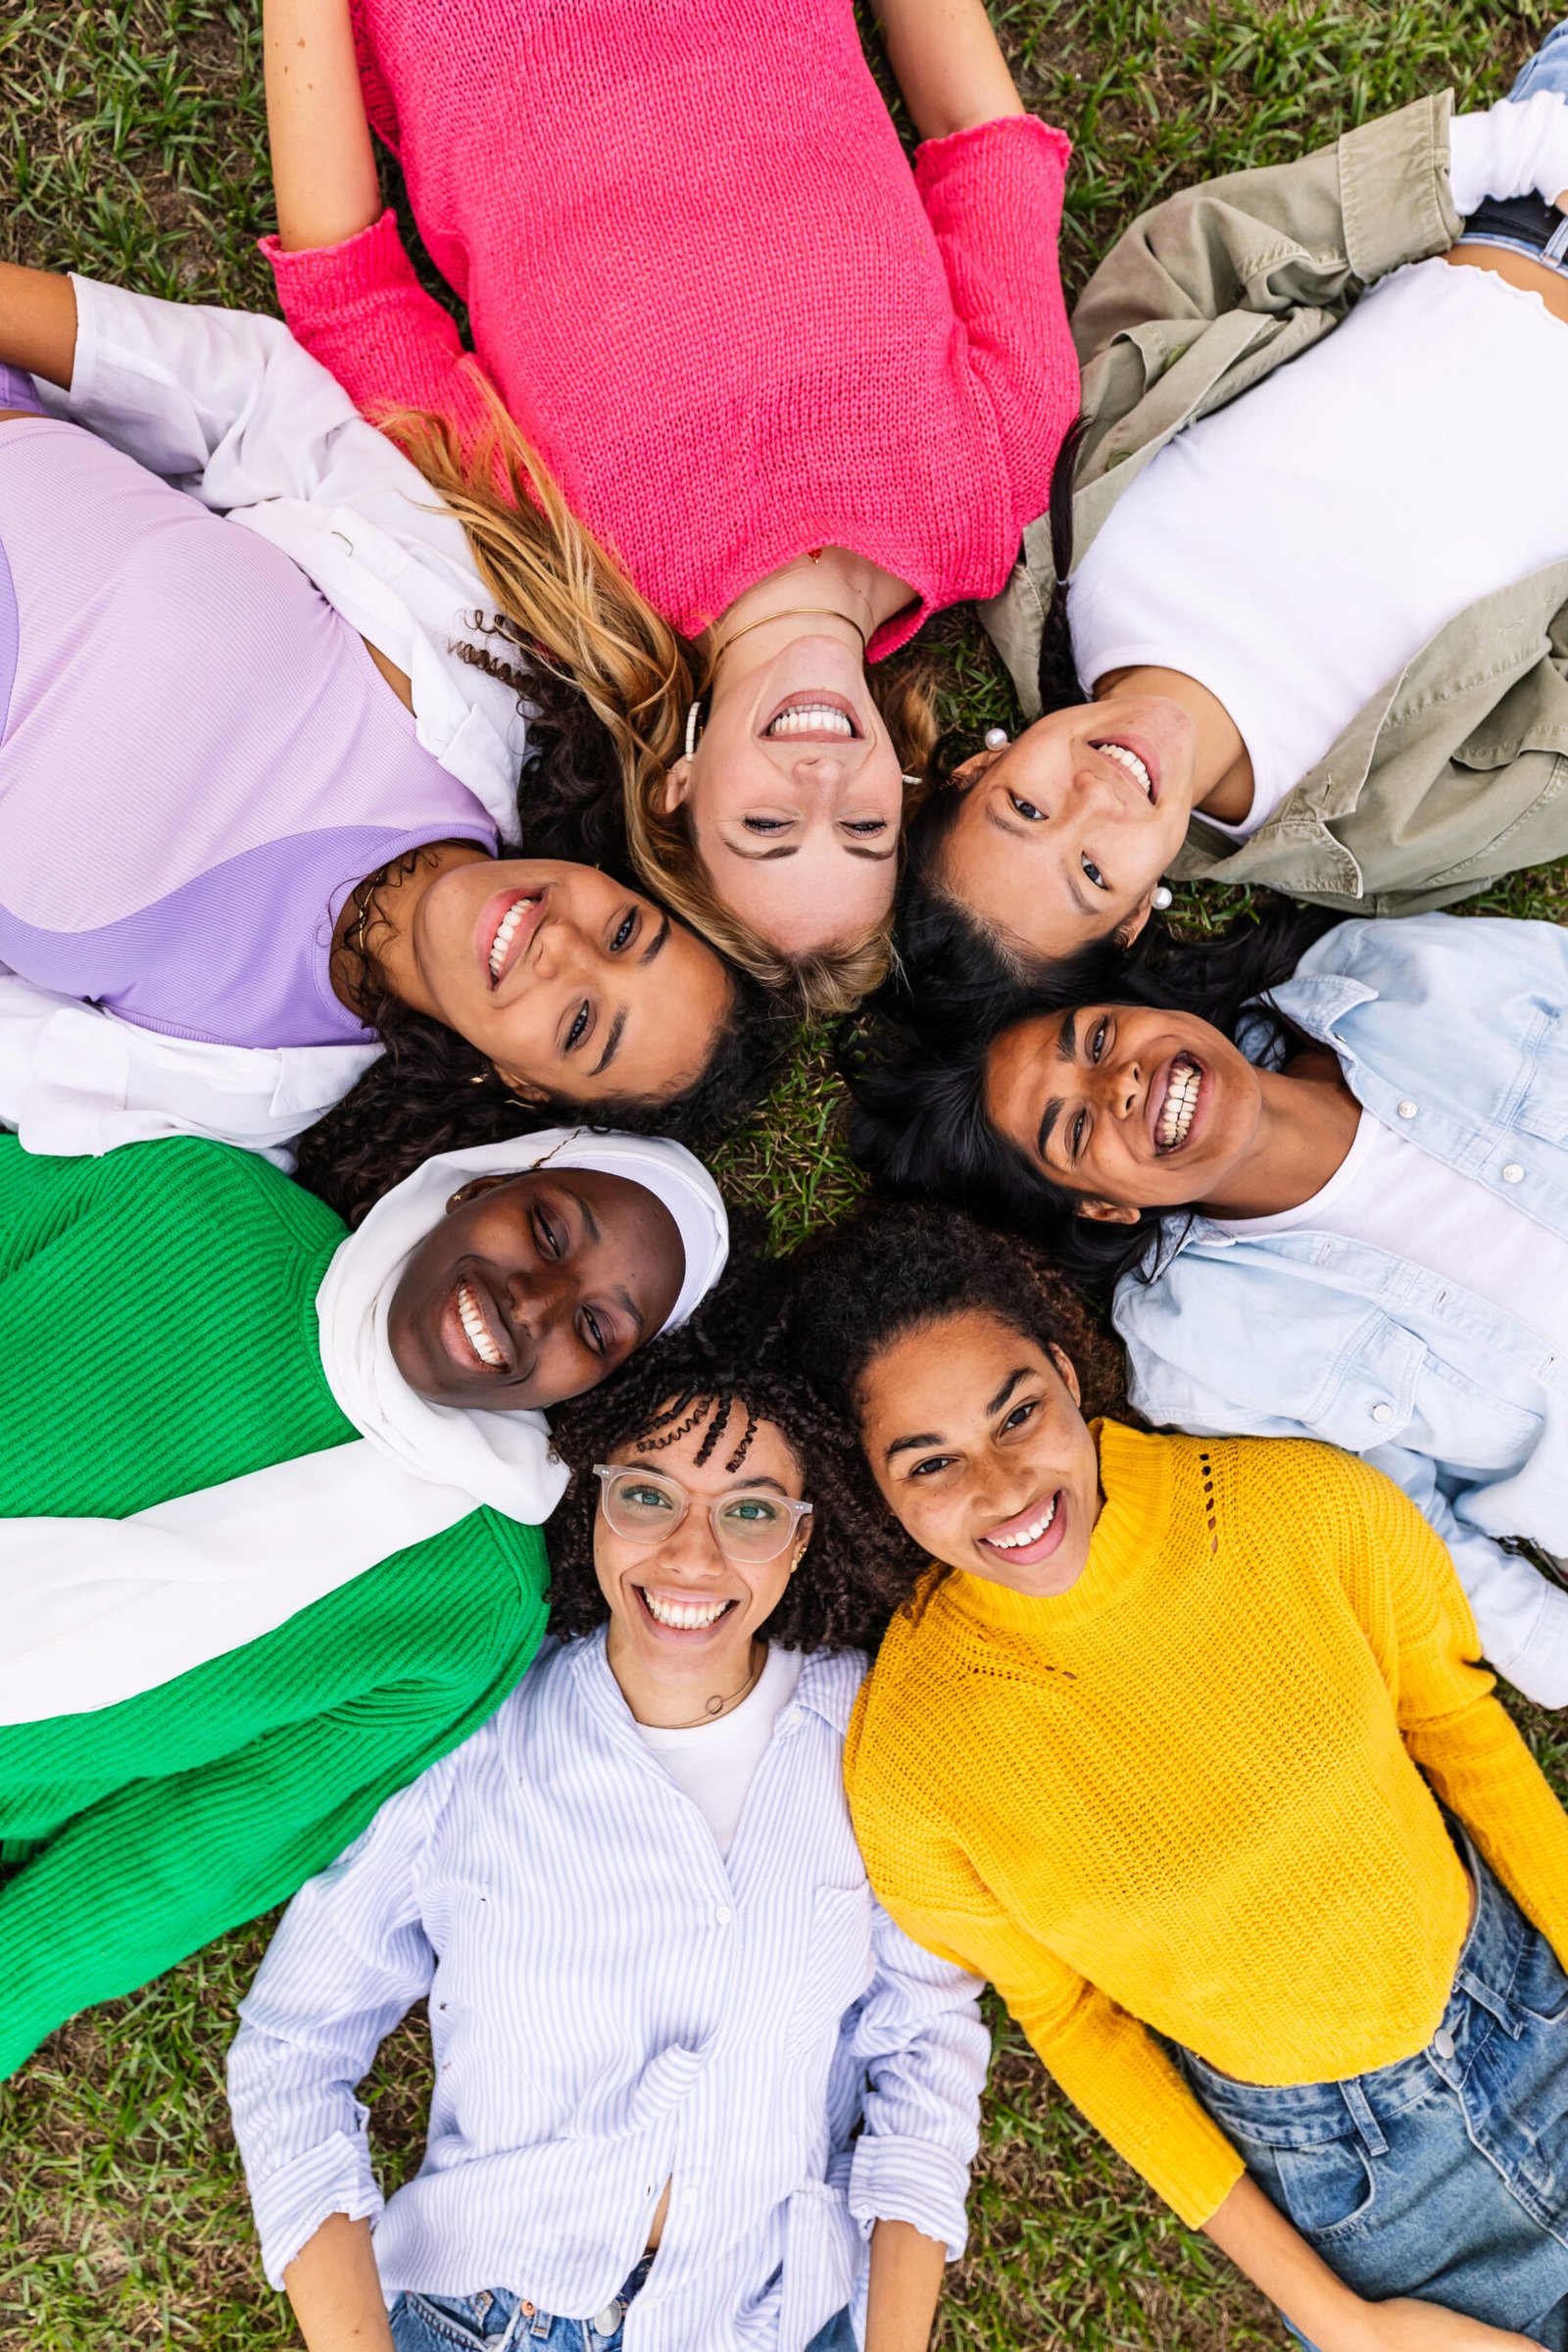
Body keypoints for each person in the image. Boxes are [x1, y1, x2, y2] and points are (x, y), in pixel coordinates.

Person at [786, 1200, 1568, 2352]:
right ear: (871, 1486)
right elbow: (1073, 2021)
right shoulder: (915, 1763)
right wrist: (1334, 2320)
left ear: (1064, 1366)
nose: (1005, 1488)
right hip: (1354, 2200)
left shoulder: (1302, 1510)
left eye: (1018, 1414)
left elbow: (1463, 1736)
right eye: (930, 1462)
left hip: (1533, 2008)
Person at [257, 0, 1078, 1008]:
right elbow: (982, 146)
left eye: (766, 829)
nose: (819, 783)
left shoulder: (563, 578)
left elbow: (354, 299)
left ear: (676, 793)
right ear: (906, 791)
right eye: (862, 829)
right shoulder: (993, 485)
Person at [226, 1267, 987, 2352]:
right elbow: (292, 2049)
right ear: (595, 1502)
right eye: (648, 1494)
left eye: (752, 1512)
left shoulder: (868, 1735)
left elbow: (924, 2047)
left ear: (804, 1537)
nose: (691, 1554)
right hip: (473, 2319)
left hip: (769, 2321)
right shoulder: (478, 1730)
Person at [0, 267, 780, 1198]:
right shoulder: (469, 658)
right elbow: (257, 401)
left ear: (523, 1088)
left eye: (580, 1025)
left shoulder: (238, 1085)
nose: (563, 948)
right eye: (624, 930)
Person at [0, 1124, 728, 2081]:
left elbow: (201, 1839)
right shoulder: (190, 1203)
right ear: (478, 1186)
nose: (538, 1302)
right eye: (548, 1232)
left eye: (597, 1328)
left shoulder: (469, 1602)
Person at [897, 30, 1568, 986]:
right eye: (1090, 873)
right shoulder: (1379, 836)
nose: (1093, 799)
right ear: (1131, 919)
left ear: (975, 771)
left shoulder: (1060, 534)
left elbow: (1199, 263)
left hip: (1529, 182)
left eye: (1027, 809)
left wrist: (1515, 151)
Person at [844, 904, 1568, 1709]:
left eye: (1096, 1038)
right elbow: (1404, 1519)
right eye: (1075, 1129)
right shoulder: (1202, 1346)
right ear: (1103, 1208)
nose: (1119, 1081)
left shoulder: (1397, 978)